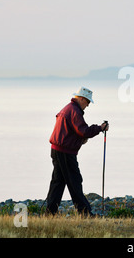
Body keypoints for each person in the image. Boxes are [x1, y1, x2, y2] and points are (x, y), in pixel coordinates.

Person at [46, 87, 109, 216]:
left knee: (58, 182)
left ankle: (50, 213)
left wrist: (80, 139)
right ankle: (84, 213)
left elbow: (71, 131)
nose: (88, 105)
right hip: (65, 153)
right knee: (74, 181)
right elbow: (84, 130)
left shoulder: (69, 108)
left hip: (57, 150)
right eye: (87, 102)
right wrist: (100, 128)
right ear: (81, 99)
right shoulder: (75, 111)